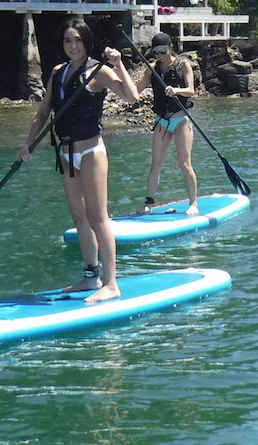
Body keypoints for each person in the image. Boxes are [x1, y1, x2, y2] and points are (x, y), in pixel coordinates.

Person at [19, 18, 138, 302]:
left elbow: (132, 97)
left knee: (98, 217)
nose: (73, 46)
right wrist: (28, 144)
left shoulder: (100, 71)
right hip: (66, 152)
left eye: (78, 41)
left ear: (87, 42)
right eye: (67, 41)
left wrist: (118, 63)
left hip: (91, 152)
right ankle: (90, 277)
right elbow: (43, 112)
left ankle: (111, 283)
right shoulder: (58, 72)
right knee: (79, 218)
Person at [134, 32, 199, 216]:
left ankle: (193, 203)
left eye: (163, 52)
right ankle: (149, 202)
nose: (160, 56)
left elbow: (191, 90)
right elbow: (135, 90)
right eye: (156, 53)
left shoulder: (183, 64)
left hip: (181, 120)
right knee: (156, 163)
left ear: (170, 47)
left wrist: (177, 90)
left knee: (184, 163)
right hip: (162, 121)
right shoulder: (152, 69)